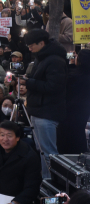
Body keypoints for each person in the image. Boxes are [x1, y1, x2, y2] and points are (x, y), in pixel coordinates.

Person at [21, 28, 67, 179]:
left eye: (31, 45)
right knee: (41, 151)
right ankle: (44, 181)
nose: (29, 48)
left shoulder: (55, 60)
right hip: (38, 110)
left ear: (41, 43)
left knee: (48, 153)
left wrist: (30, 82)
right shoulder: (42, 57)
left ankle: (51, 185)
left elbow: (54, 86)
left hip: (47, 112)